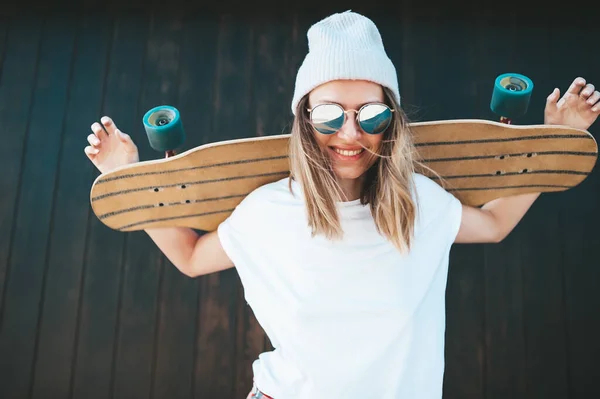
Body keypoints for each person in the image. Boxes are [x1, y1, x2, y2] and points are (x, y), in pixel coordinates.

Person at [84, 11, 599, 399]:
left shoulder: (419, 204)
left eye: (371, 113)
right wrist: (130, 180)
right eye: (329, 113)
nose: (350, 133)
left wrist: (558, 141)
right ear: (305, 118)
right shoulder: (268, 211)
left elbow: (494, 224)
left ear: (392, 120)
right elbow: (192, 258)